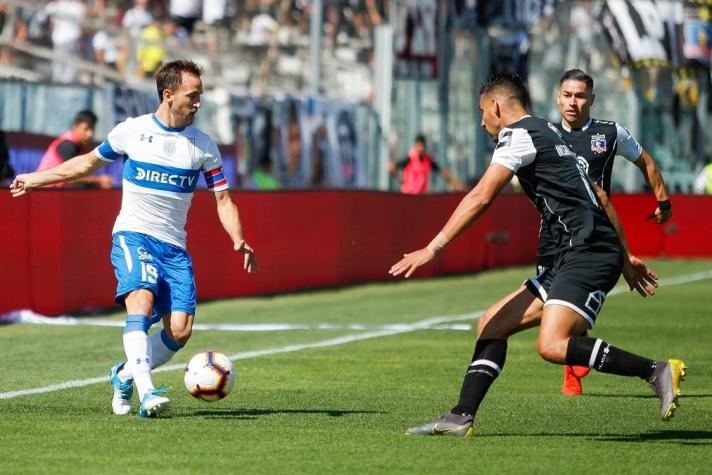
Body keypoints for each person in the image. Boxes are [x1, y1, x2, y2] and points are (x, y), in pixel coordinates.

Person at [389, 73, 686, 437]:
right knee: (491, 324)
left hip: (587, 251)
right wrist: (624, 255)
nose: (482, 121)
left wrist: (433, 247)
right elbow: (600, 196)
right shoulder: (548, 131)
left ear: (497, 107)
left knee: (551, 345)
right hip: (572, 254)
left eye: (482, 111)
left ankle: (654, 370)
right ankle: (460, 416)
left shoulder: (518, 136)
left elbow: (480, 197)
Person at [11, 59, 258, 418]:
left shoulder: (203, 146)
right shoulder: (132, 131)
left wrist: (239, 238)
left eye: (200, 95)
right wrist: (36, 178)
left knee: (179, 331)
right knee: (140, 302)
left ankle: (123, 375)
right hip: (133, 235)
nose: (198, 103)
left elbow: (223, 199)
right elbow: (86, 164)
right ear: (168, 94)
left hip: (174, 248)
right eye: (193, 95)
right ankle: (147, 394)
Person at [550, 68, 673, 395]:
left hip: (594, 238)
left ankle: (574, 371)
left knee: (561, 308)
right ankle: (577, 357)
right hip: (553, 237)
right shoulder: (544, 134)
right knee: (555, 307)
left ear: (592, 99)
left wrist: (663, 199)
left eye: (579, 96)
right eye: (567, 95)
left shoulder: (609, 133)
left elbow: (645, 160)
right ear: (557, 97)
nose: (572, 103)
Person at [36, 110, 113, 189]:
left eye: (92, 129)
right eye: (86, 129)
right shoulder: (67, 145)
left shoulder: (80, 146)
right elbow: (71, 177)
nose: (90, 134)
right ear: (75, 126)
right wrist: (98, 181)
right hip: (44, 192)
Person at [389, 135, 467, 194]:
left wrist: (457, 184)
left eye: (422, 146)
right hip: (408, 196)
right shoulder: (409, 159)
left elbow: (442, 172)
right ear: (415, 146)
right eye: (419, 146)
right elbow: (391, 167)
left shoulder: (428, 160)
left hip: (421, 197)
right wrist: (402, 180)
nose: (421, 149)